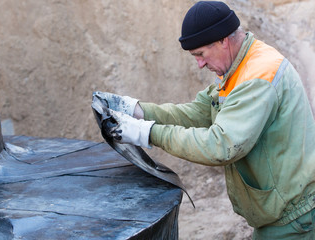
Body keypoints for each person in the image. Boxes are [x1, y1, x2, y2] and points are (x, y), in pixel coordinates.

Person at [94, 1, 315, 239]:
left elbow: (221, 145)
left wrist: (145, 133)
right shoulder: (240, 66)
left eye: (200, 54)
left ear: (223, 40)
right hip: (281, 213)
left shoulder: (257, 77)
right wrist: (136, 110)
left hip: (293, 219)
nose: (199, 64)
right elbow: (197, 113)